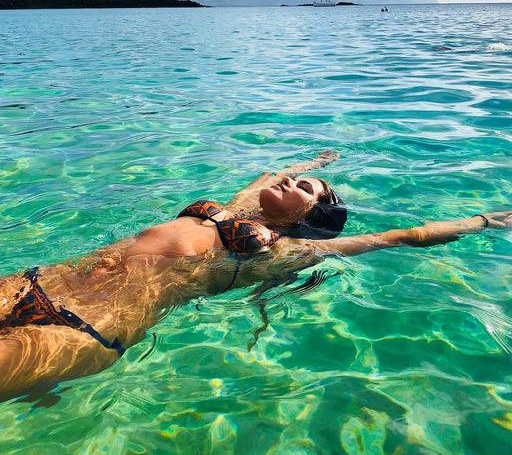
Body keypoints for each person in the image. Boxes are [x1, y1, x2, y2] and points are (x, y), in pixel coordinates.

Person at [0, 150, 510, 399]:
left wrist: (483, 221)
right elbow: (267, 176)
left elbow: (401, 236)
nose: (290, 180)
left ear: (310, 213)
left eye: (305, 185)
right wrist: (316, 159)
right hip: (39, 281)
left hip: (83, 330)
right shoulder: (234, 211)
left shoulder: (284, 251)